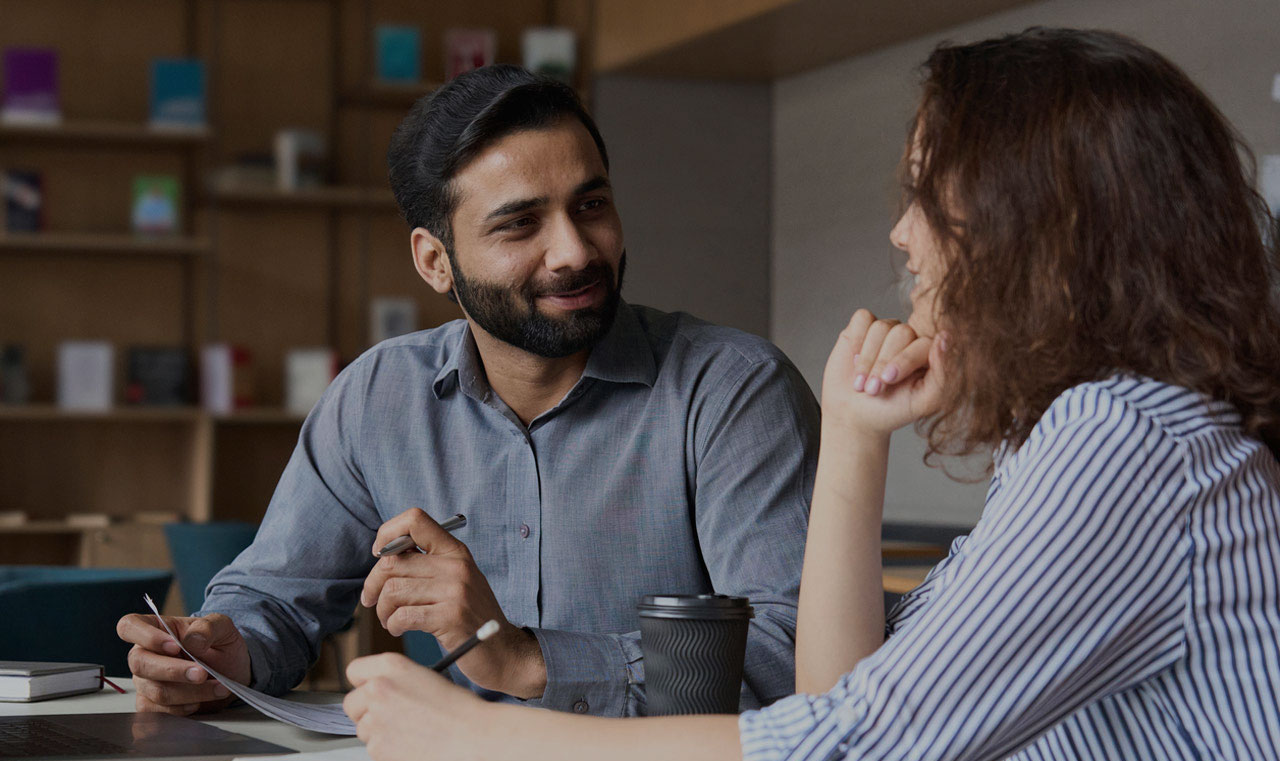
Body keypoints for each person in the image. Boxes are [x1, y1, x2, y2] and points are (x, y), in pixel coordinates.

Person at [339, 28, 1280, 761]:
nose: (904, 236)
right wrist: (856, 438)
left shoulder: (1125, 443)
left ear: (1033, 221)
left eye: (927, 194)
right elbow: (839, 697)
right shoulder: (1097, 437)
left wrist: (476, 734)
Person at [116, 66, 819, 718]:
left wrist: (528, 661)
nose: (575, 250)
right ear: (435, 261)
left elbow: (799, 656)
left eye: (592, 203)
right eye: (520, 223)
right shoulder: (379, 397)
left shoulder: (733, 389)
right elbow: (275, 595)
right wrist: (219, 649)